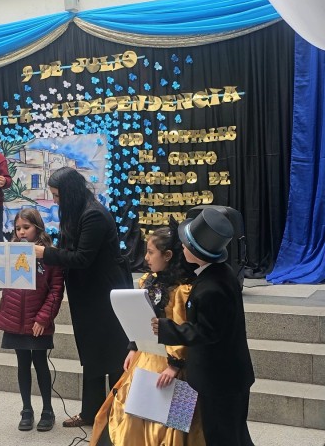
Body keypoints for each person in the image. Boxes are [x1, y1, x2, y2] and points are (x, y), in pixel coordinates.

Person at [90, 219, 205, 446]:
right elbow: (140, 318)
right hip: (147, 354)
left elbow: (183, 328)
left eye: (151, 252)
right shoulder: (147, 281)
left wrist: (175, 365)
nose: (146, 258)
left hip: (173, 359)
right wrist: (134, 347)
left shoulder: (182, 290)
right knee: (130, 407)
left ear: (168, 255)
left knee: (172, 417)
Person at [34, 167, 131, 428]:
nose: (55, 201)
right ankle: (91, 412)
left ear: (71, 193)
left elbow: (82, 258)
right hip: (87, 294)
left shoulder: (93, 215)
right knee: (92, 354)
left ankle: (117, 416)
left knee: (112, 356)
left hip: (104, 295)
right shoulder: (77, 211)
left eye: (58, 196)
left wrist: (45, 253)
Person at [153, 207, 255, 446]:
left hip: (220, 380)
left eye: (186, 244)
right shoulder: (219, 274)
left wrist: (167, 329)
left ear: (197, 252)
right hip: (222, 375)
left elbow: (207, 331)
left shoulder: (211, 288)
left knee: (222, 435)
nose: (182, 247)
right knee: (233, 434)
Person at [0, 208, 64, 432]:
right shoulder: (8, 251)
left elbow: (56, 291)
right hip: (14, 318)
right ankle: (26, 410)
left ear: (38, 227)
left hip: (38, 321)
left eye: (26, 227)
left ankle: (47, 410)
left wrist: (43, 318)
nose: (22, 232)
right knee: (22, 364)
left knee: (41, 363)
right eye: (18, 228)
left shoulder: (50, 255)